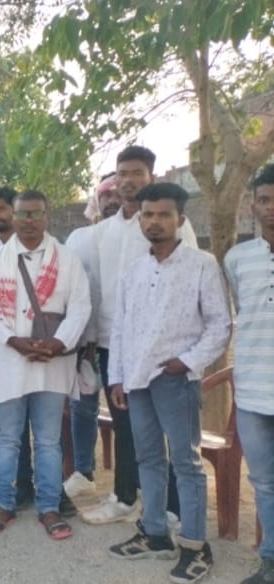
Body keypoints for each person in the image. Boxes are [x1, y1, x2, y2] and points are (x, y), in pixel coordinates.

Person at [106, 183, 230, 584]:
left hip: (175, 380)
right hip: (137, 380)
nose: (154, 221)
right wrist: (117, 377)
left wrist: (186, 363)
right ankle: (155, 533)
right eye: (148, 214)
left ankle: (195, 546)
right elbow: (120, 328)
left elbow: (220, 325)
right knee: (148, 460)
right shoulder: (133, 271)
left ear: (180, 219)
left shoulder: (202, 264)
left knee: (186, 463)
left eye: (163, 214)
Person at [83, 146, 199, 526]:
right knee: (125, 426)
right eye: (122, 173)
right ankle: (124, 497)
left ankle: (173, 509)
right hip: (113, 345)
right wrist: (94, 338)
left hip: (163, 347)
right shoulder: (104, 231)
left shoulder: (167, 223)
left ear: (151, 176)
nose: (128, 180)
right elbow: (98, 288)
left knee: (169, 431)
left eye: (136, 173)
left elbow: (189, 279)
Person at [0, 190, 90, 540]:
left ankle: (49, 507)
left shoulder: (67, 259)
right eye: (22, 214)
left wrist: (58, 343)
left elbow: (81, 306)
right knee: (7, 437)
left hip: (52, 363)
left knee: (48, 440)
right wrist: (13, 340)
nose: (28, 221)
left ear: (46, 216)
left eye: (35, 213)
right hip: (10, 359)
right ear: (13, 217)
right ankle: (3, 503)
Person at [225, 164, 274, 584]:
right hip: (254, 391)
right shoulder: (237, 258)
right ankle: (270, 562)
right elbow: (245, 312)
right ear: (253, 206)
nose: (271, 207)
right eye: (264, 200)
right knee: (263, 481)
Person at [61, 174, 119, 500]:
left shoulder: (141, 236)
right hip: (84, 344)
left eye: (117, 194)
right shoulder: (79, 238)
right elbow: (70, 289)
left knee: (130, 413)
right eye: (106, 194)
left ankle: (133, 485)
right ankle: (84, 472)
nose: (112, 200)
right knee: (82, 408)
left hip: (124, 344)